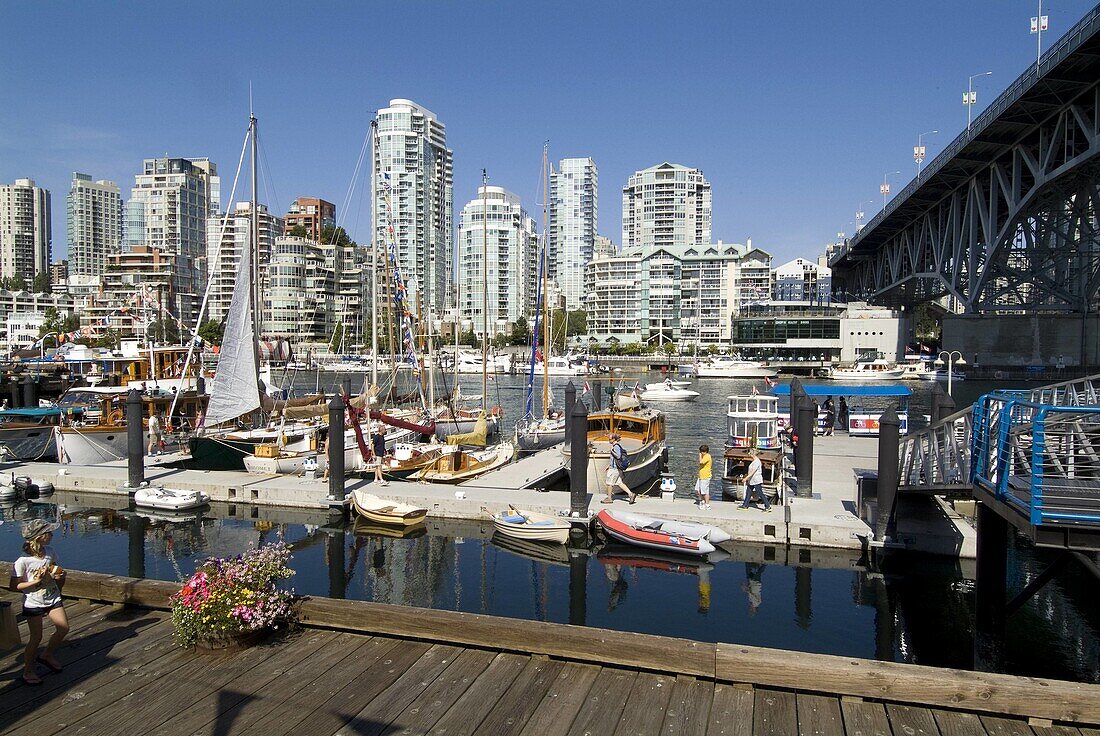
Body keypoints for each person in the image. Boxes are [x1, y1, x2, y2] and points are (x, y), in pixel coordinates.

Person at [10, 519, 68, 686]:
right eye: (49, 533)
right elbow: (15, 586)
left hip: (52, 596)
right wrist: (35, 582)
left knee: (63, 628)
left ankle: (47, 655)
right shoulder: (23, 561)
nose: (52, 535)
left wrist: (60, 577)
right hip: (33, 601)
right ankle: (28, 670)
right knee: (36, 637)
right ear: (40, 537)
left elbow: (56, 572)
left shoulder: (50, 552)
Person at [602, 433, 636, 504]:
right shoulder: (616, 446)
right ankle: (631, 494)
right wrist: (609, 465)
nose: (609, 440)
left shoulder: (616, 447)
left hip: (614, 469)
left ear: (614, 439)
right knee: (619, 483)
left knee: (609, 483)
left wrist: (611, 451)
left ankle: (609, 498)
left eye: (610, 439)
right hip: (615, 467)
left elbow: (618, 456)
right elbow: (614, 459)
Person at [696, 444, 713, 510]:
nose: (701, 453)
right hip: (701, 475)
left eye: (701, 452)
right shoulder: (705, 456)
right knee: (698, 489)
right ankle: (702, 501)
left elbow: (701, 462)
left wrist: (700, 456)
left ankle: (707, 504)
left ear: (704, 451)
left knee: (704, 491)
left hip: (705, 476)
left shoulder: (707, 456)